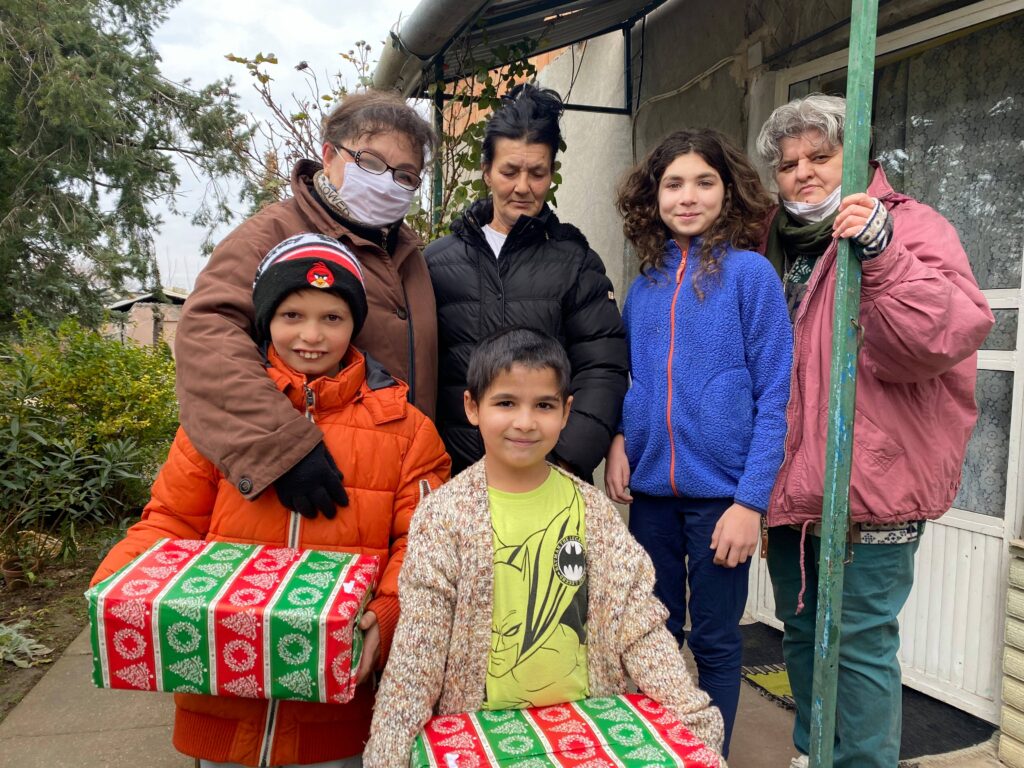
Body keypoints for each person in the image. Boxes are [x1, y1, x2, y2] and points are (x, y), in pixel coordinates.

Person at [92, 234, 452, 768]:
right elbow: (170, 521)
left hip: (337, 717)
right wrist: (115, 588)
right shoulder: (220, 423)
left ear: (355, 323)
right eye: (292, 315)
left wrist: (387, 613)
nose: (311, 335)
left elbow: (422, 547)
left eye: (332, 317)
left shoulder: (405, 430)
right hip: (221, 704)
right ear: (265, 320)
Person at [755, 93, 994, 768]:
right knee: (801, 635)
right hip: (790, 488)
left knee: (858, 647)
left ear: (859, 156)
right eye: (789, 164)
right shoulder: (773, 239)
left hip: (869, 486)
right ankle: (815, 755)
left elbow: (940, 337)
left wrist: (884, 254)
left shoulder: (911, 227)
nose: (803, 173)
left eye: (821, 157)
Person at [361, 327, 725, 767]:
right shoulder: (443, 517)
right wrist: (389, 754)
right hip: (482, 742)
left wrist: (690, 716)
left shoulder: (593, 512)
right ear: (472, 407)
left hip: (586, 736)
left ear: (566, 411)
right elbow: (417, 652)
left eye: (544, 405)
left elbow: (638, 624)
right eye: (506, 403)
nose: (525, 422)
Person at [606, 129, 792, 756]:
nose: (688, 197)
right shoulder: (645, 286)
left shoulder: (751, 276)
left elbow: (775, 397)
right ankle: (661, 753)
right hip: (652, 498)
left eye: (703, 182)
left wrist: (750, 503)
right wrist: (619, 438)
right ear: (653, 197)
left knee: (715, 641)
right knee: (652, 638)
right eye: (673, 184)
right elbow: (634, 379)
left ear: (728, 190)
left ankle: (712, 756)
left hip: (723, 503)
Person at [175, 90, 439, 521]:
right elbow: (208, 335)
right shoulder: (272, 235)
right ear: (329, 155)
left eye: (406, 175)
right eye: (371, 163)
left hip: (393, 488)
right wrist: (280, 447)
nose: (387, 182)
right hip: (306, 496)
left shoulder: (408, 255)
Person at [425, 83, 628, 480]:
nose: (522, 187)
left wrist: (566, 461)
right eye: (509, 171)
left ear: (550, 175)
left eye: (537, 173)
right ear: (486, 171)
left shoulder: (576, 262)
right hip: (455, 478)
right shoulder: (437, 262)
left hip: (550, 478)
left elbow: (602, 368)